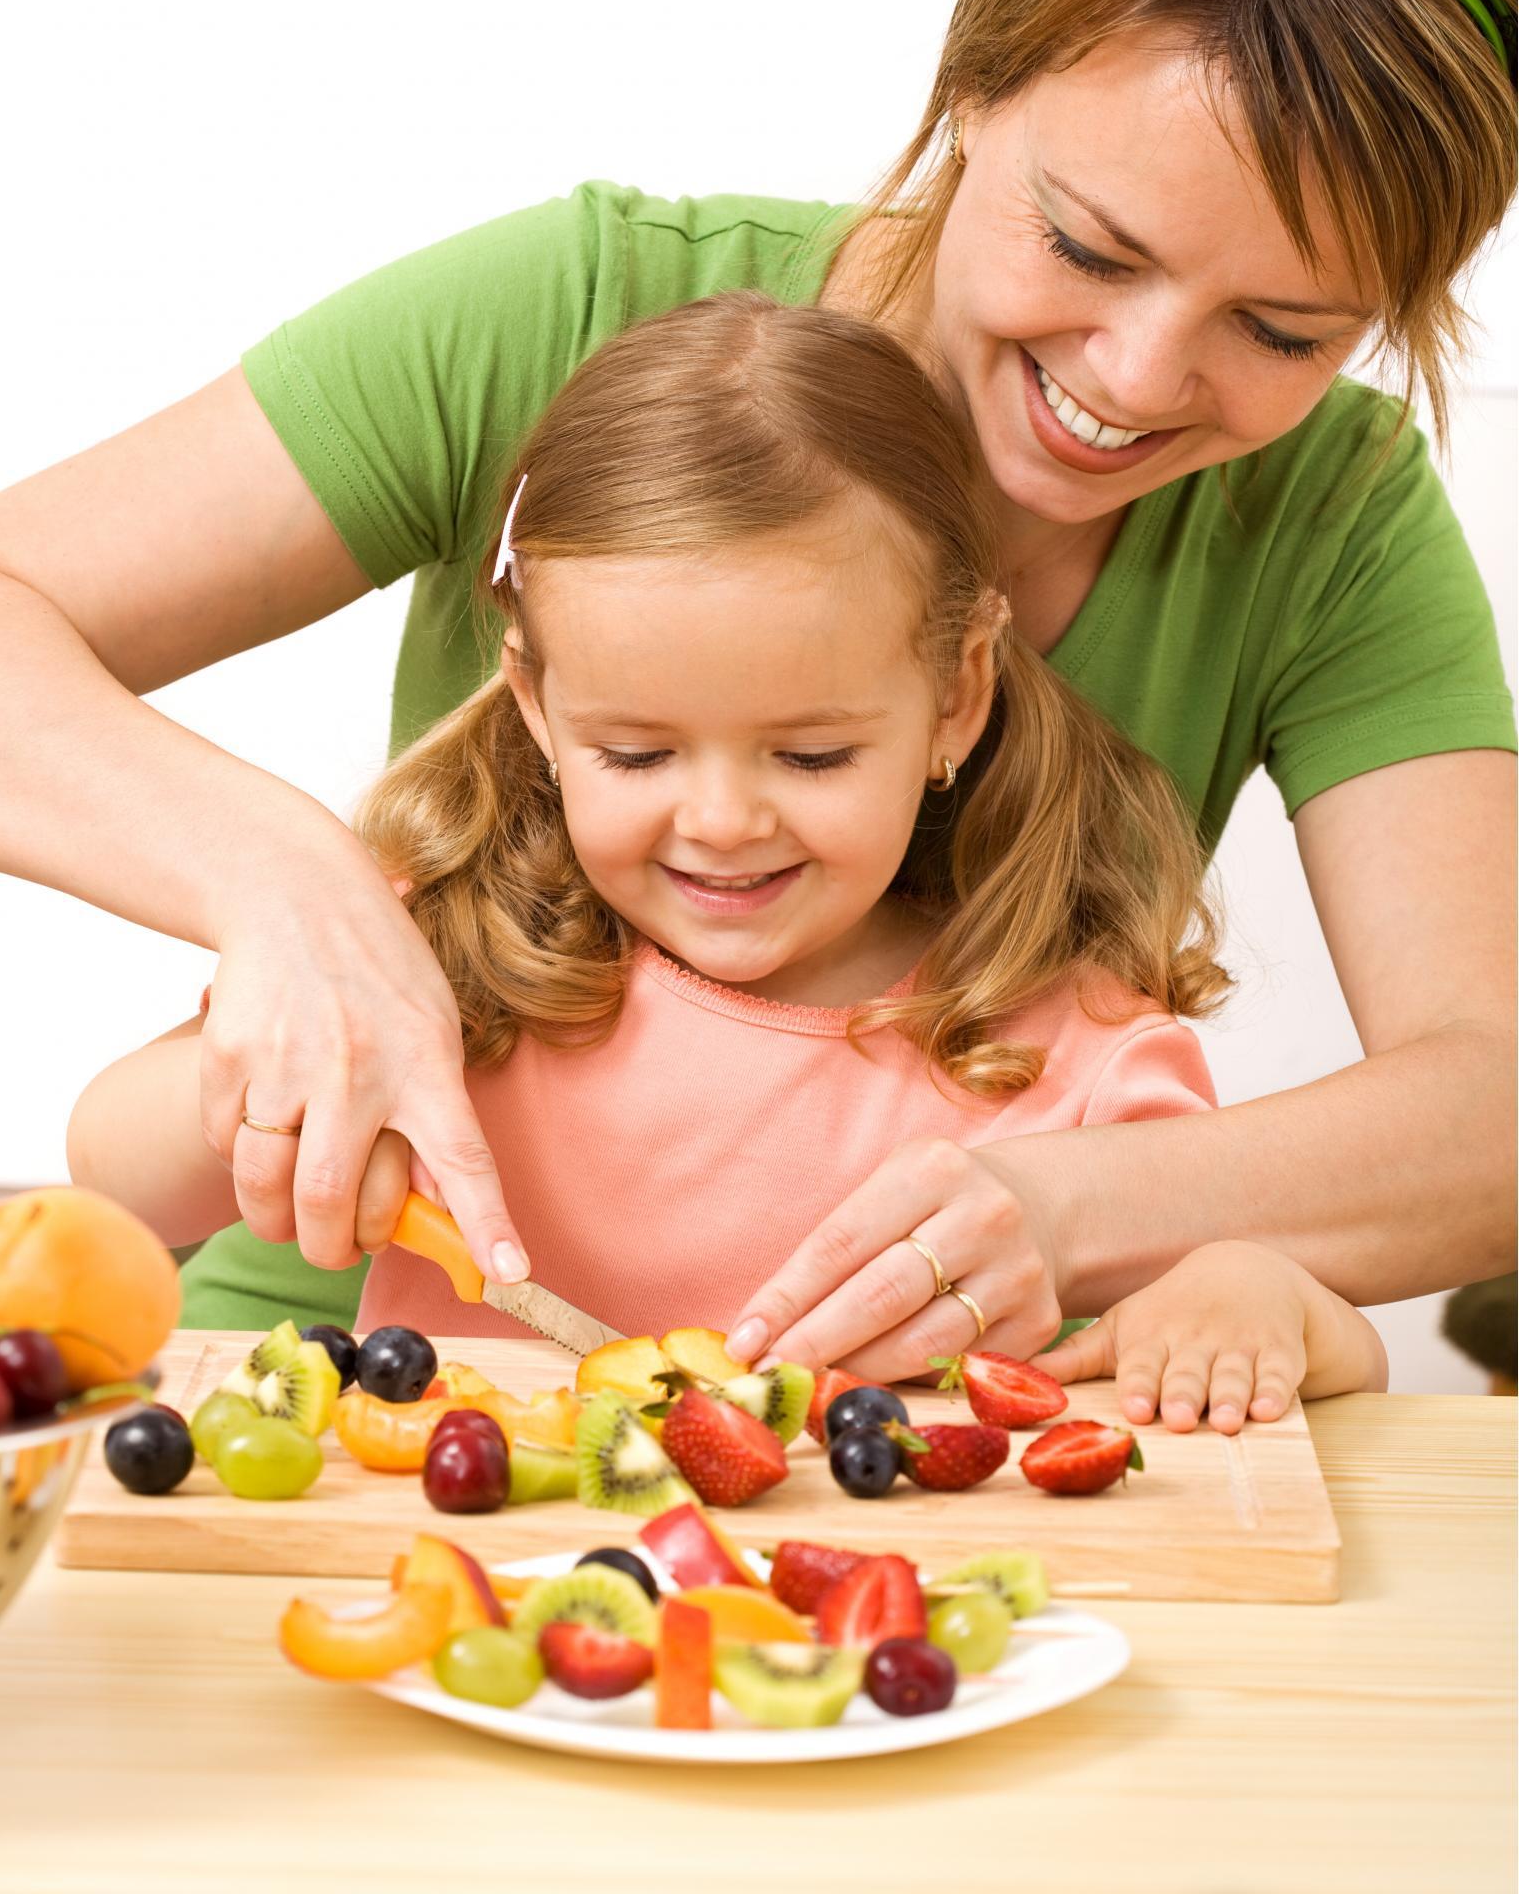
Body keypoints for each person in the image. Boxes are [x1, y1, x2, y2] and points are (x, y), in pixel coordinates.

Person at [0, 0, 1514, 1375]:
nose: (1131, 383)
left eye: (1280, 330)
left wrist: (1073, 1213)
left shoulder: (1330, 516)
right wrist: (293, 894)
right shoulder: (567, 311)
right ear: (973, 84)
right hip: (337, 1391)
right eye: (1085, 244)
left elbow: (1490, 1103)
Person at [68, 298, 1387, 1428]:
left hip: (880, 1659)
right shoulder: (444, 963)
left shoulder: (1078, 1058)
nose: (720, 821)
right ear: (536, 707)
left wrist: (1257, 1300)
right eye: (636, 757)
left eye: (810, 759)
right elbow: (111, 1162)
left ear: (955, 697)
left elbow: (1335, 1349)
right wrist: (261, 1103)